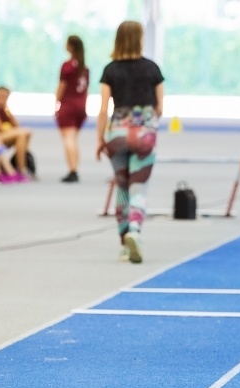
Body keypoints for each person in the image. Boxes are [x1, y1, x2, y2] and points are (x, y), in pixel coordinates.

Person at [97, 20, 164, 264]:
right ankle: (135, 230)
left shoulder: (110, 70)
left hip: (117, 134)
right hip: (143, 133)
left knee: (122, 187)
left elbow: (103, 109)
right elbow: (159, 108)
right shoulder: (152, 69)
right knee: (138, 189)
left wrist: (100, 139)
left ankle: (124, 245)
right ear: (140, 39)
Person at [0, 87, 34, 179]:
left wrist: (7, 110)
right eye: (1, 96)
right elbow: (0, 128)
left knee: (25, 134)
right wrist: (13, 131)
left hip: (2, 136)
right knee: (22, 134)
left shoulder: (4, 110)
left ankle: (21, 163)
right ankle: (21, 168)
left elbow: (17, 125)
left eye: (5, 97)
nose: (2, 99)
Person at [56, 35, 90, 183]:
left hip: (68, 105)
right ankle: (74, 168)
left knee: (68, 138)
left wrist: (56, 102)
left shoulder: (67, 66)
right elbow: (86, 90)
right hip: (80, 106)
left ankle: (73, 170)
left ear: (70, 46)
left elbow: (62, 86)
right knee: (73, 139)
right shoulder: (84, 67)